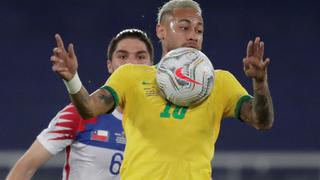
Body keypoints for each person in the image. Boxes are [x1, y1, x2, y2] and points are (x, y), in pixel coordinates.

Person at [50, 0, 274, 179]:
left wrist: (260, 83)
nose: (193, 35)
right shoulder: (131, 76)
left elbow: (261, 121)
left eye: (199, 29)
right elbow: (89, 108)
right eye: (184, 27)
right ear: (161, 30)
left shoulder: (220, 81)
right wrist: (72, 80)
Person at [6, 28, 154, 180]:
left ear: (152, 66)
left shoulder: (161, 120)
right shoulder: (78, 114)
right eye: (122, 56)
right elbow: (25, 168)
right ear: (110, 65)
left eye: (140, 57)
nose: (130, 64)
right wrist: (72, 80)